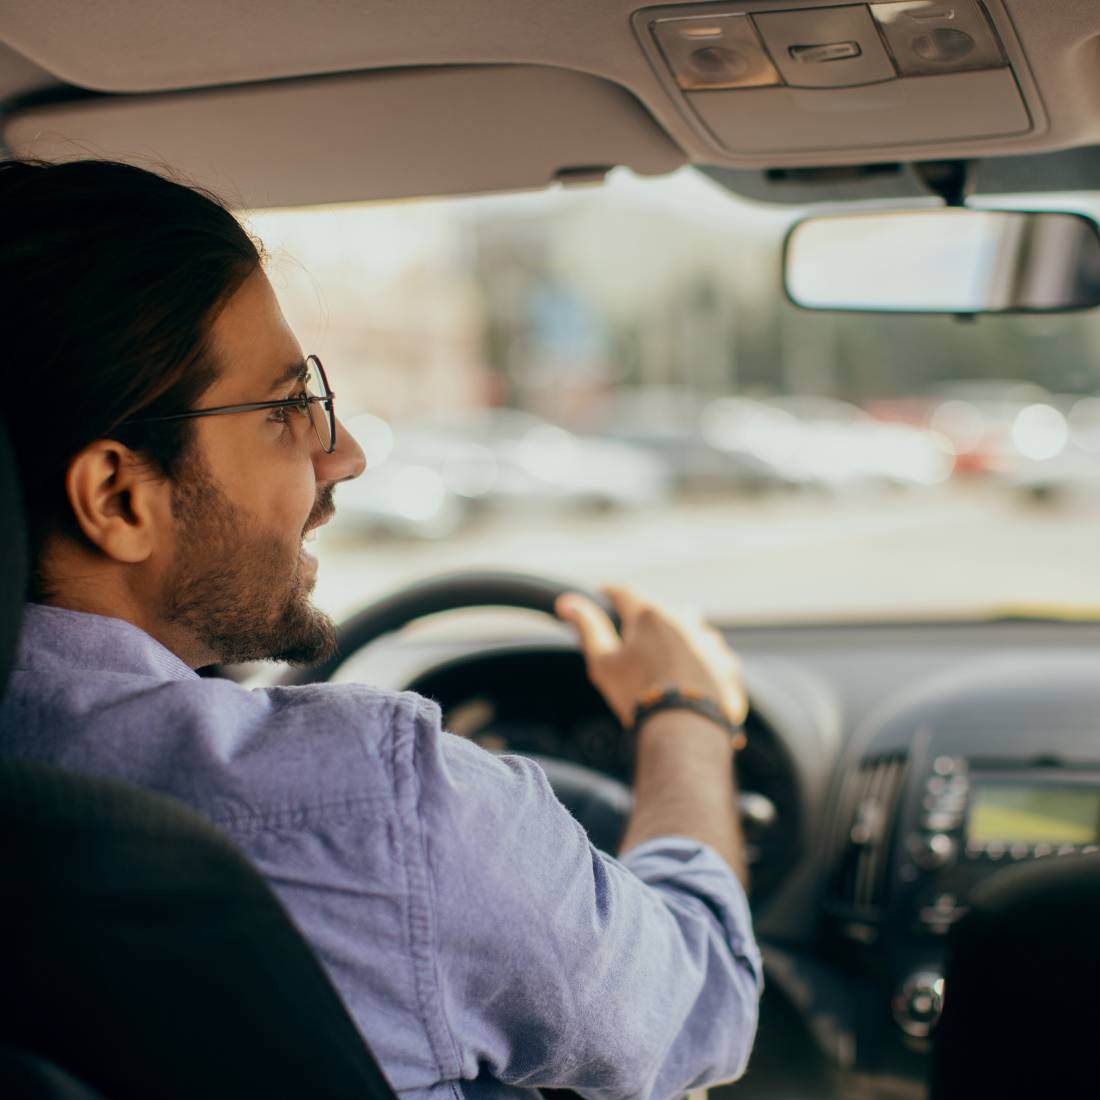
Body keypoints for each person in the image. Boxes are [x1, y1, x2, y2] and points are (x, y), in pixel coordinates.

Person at [0, 158, 762, 1100]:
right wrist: (682, 712)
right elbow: (695, 1005)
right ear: (119, 496)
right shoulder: (377, 805)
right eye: (285, 410)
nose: (345, 453)